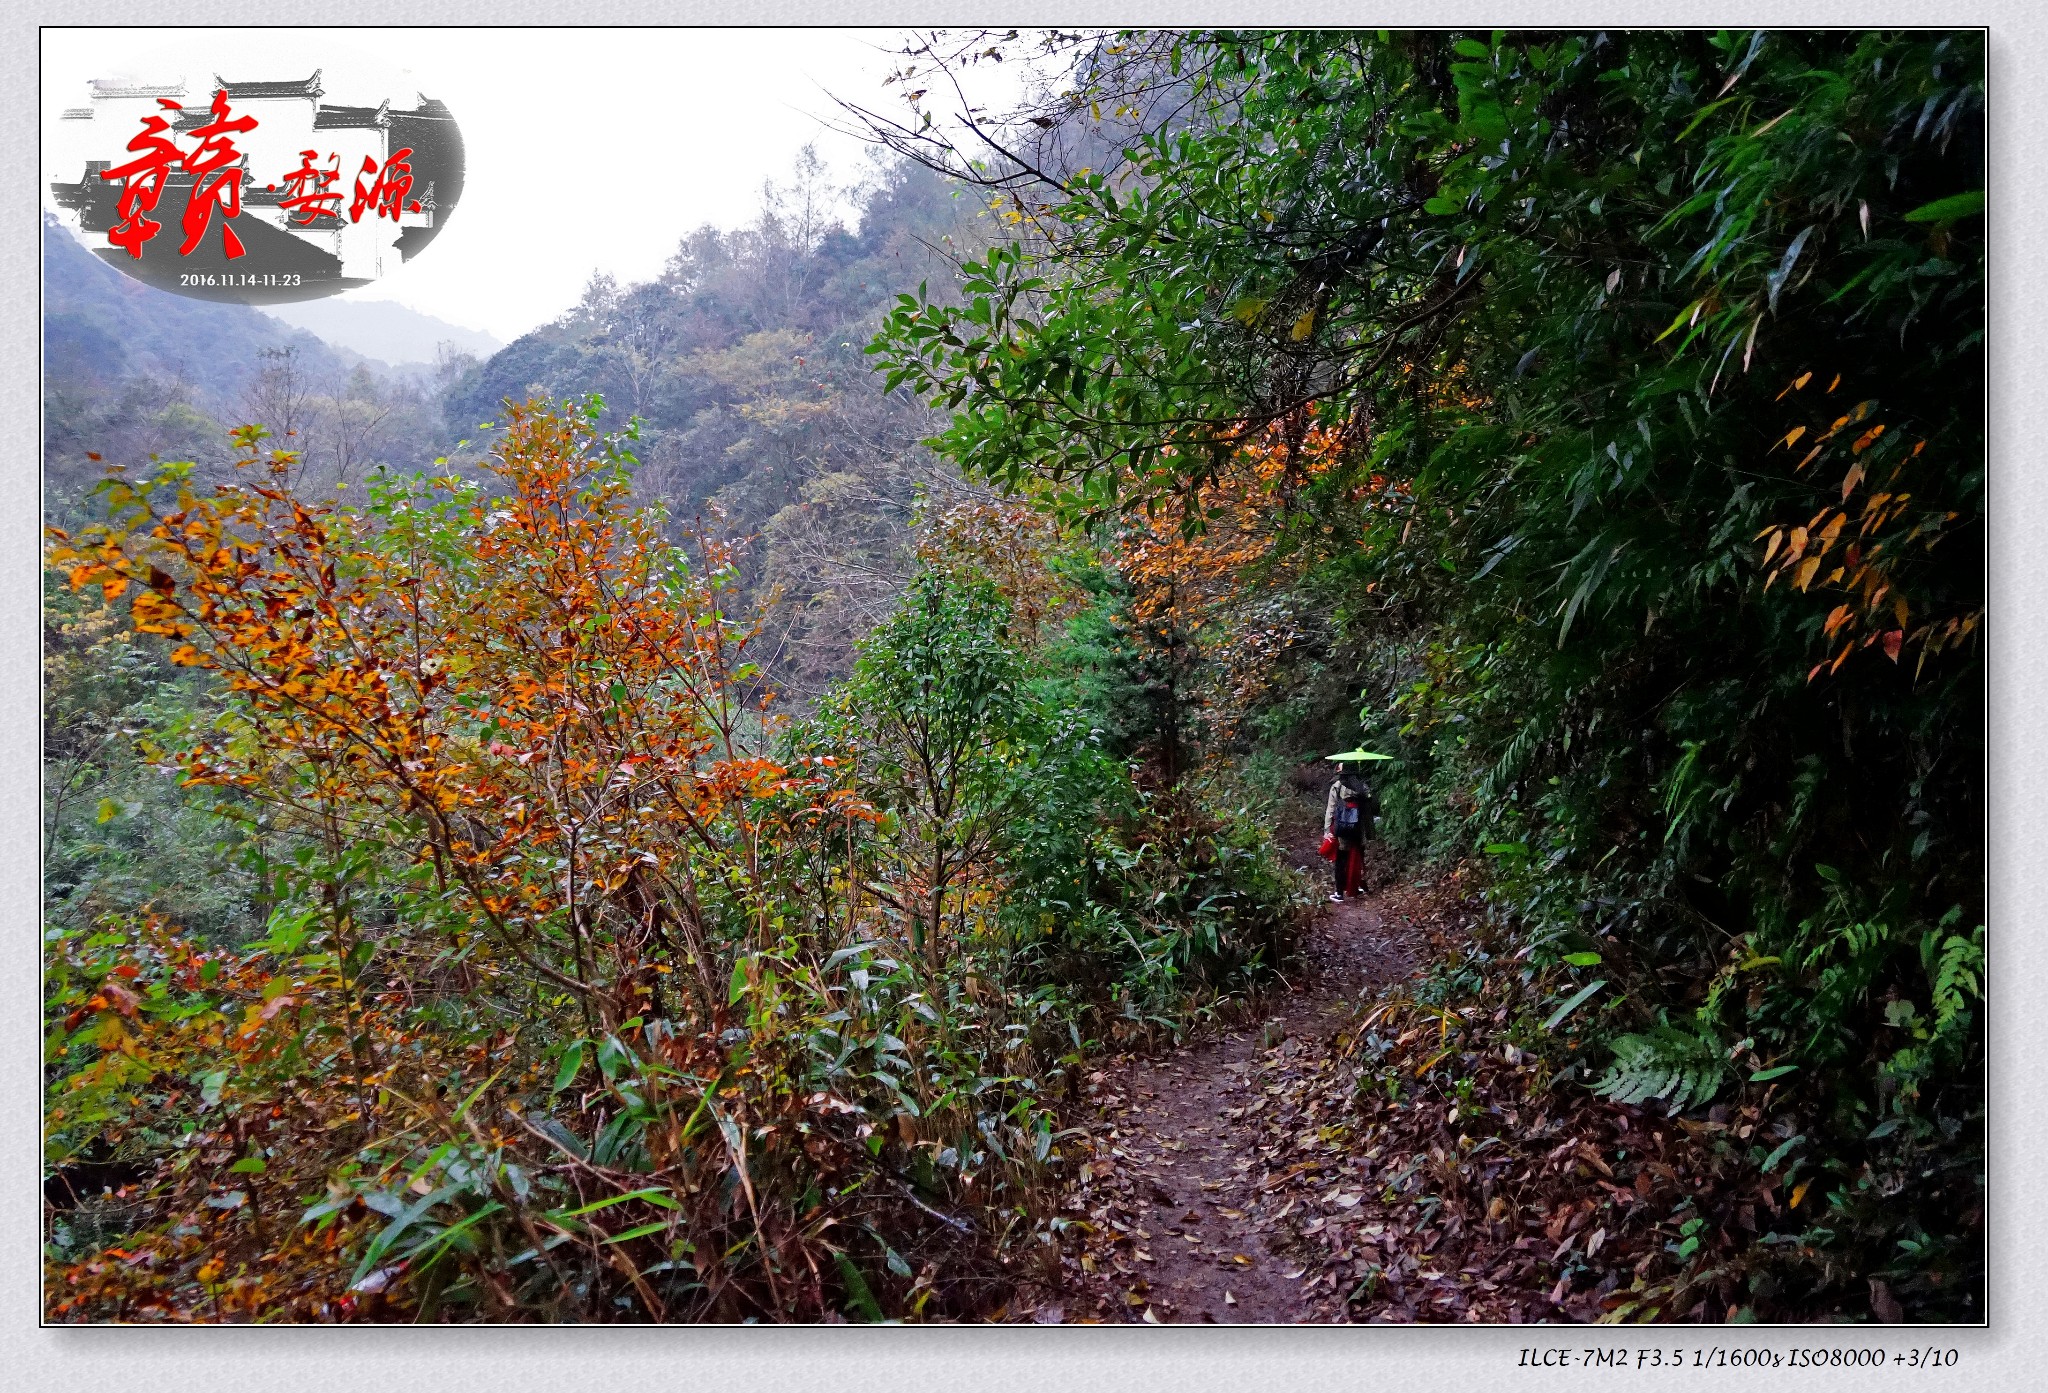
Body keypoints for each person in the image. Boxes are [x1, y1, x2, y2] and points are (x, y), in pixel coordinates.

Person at [1321, 765, 1377, 901]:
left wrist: (1327, 830)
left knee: (1341, 860)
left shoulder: (1338, 786)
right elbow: (1369, 810)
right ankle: (1356, 886)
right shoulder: (1362, 786)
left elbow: (1331, 809)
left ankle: (1339, 893)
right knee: (1357, 858)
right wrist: (1369, 831)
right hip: (1359, 830)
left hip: (1343, 828)